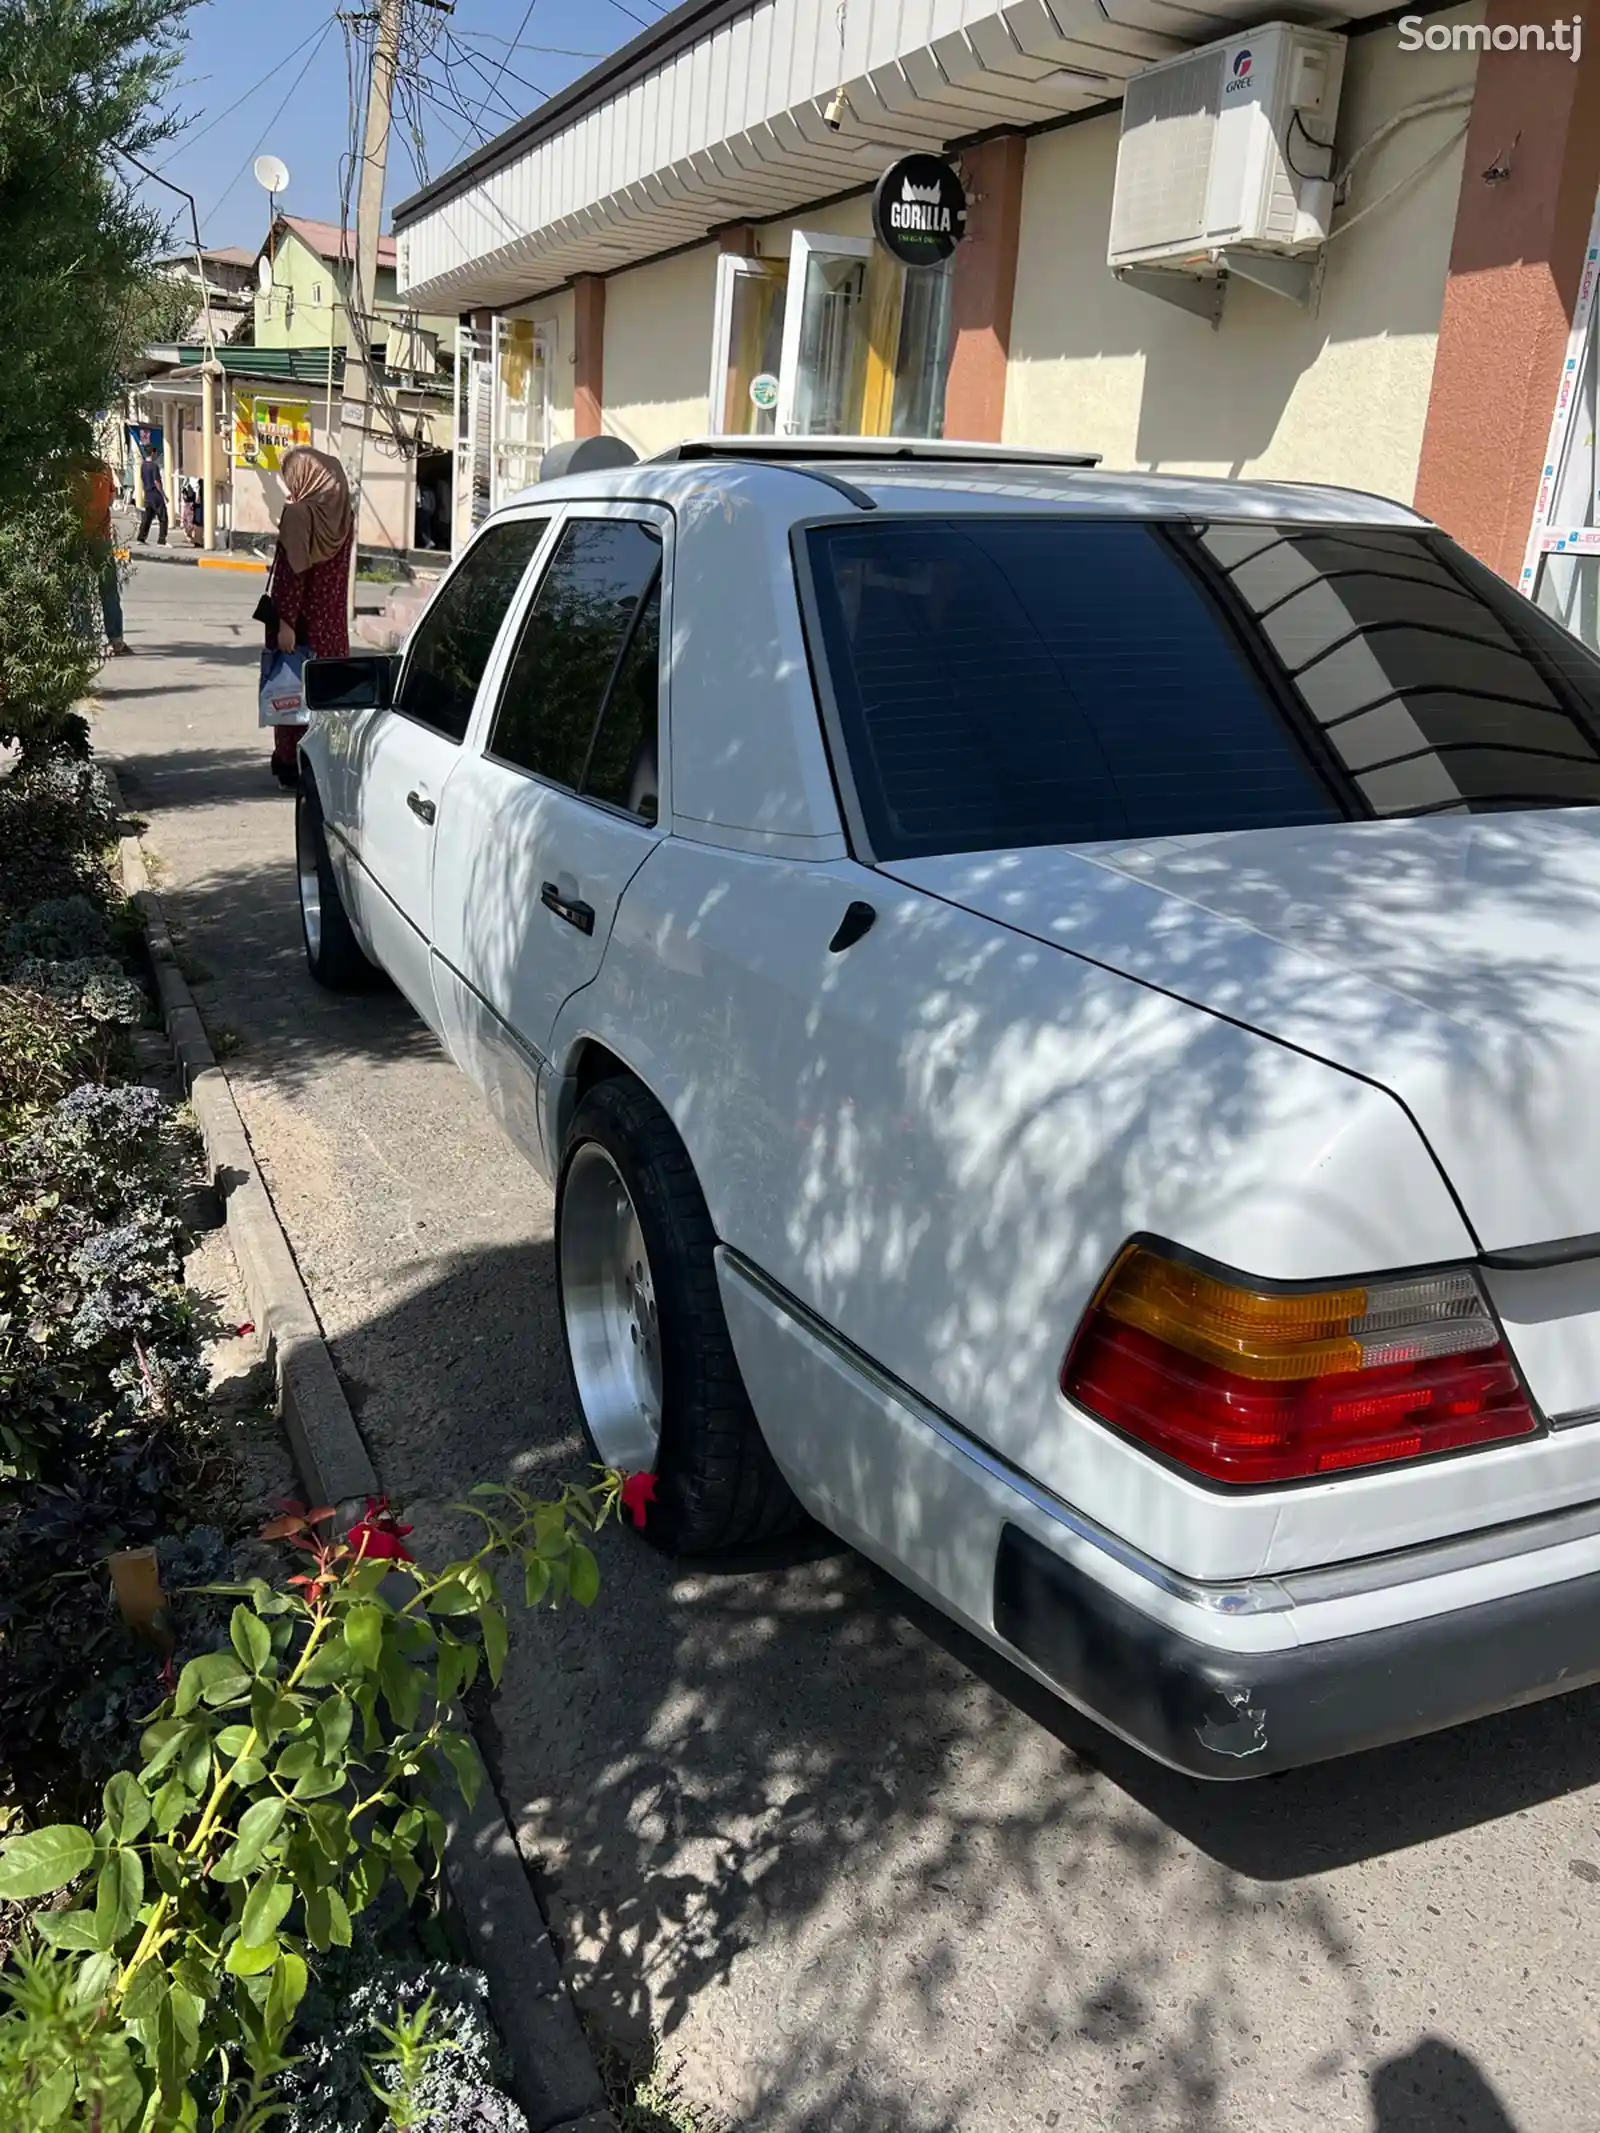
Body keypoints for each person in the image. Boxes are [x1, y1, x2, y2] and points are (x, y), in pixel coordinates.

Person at [261, 446, 354, 788]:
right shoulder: (344, 515)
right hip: (330, 628)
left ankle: (290, 766)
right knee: (322, 701)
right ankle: (321, 768)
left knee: (290, 697)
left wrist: (284, 623)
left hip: (299, 625)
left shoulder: (298, 515)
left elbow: (290, 577)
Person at [79, 456, 131, 656]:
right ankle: (116, 639)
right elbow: (110, 500)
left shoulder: (68, 469)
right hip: (101, 537)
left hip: (76, 536)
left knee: (79, 590)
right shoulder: (103, 468)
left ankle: (85, 639)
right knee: (108, 589)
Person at [136, 445, 168, 545]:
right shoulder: (154, 466)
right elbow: (156, 481)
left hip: (147, 494)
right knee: (163, 517)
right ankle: (162, 540)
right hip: (156, 494)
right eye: (156, 453)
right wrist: (163, 495)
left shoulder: (143, 466)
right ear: (153, 453)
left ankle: (141, 538)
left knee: (147, 517)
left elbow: (142, 478)